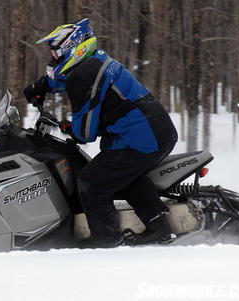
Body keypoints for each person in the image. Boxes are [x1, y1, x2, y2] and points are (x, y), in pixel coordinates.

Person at [23, 18, 178, 248]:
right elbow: (66, 78)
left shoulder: (84, 74)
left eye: (56, 53)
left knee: (91, 182)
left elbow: (85, 133)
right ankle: (160, 228)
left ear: (72, 49)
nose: (53, 58)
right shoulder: (93, 62)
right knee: (121, 177)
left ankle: (106, 240)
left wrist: (69, 129)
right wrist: (42, 86)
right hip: (155, 131)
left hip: (142, 138)